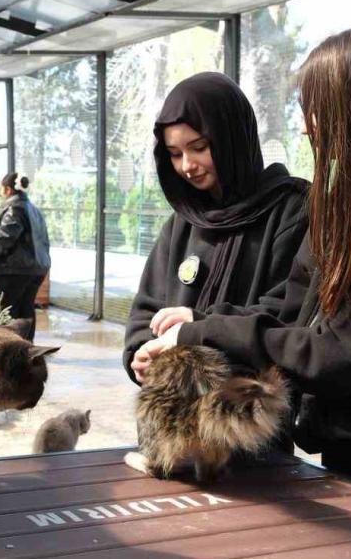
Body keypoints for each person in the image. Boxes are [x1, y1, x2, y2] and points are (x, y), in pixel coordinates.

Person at [132, 22, 351, 513]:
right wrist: (198, 326)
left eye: (319, 111)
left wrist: (204, 335)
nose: (308, 127)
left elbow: (340, 353)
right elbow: (293, 310)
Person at [124, 72, 309, 385]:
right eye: (174, 154)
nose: (186, 165)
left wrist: (202, 327)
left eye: (199, 147)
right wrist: (140, 352)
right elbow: (147, 308)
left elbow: (287, 311)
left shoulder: (292, 210)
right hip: (175, 414)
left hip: (247, 411)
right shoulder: (183, 222)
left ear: (232, 138)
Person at [0, 173, 51, 341]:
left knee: (5, 310)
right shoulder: (33, 209)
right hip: (37, 269)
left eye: (1, 188)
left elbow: (7, 234)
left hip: (15, 270)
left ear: (8, 189)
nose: (0, 191)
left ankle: (7, 348)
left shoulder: (15, 208)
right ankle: (25, 348)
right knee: (26, 309)